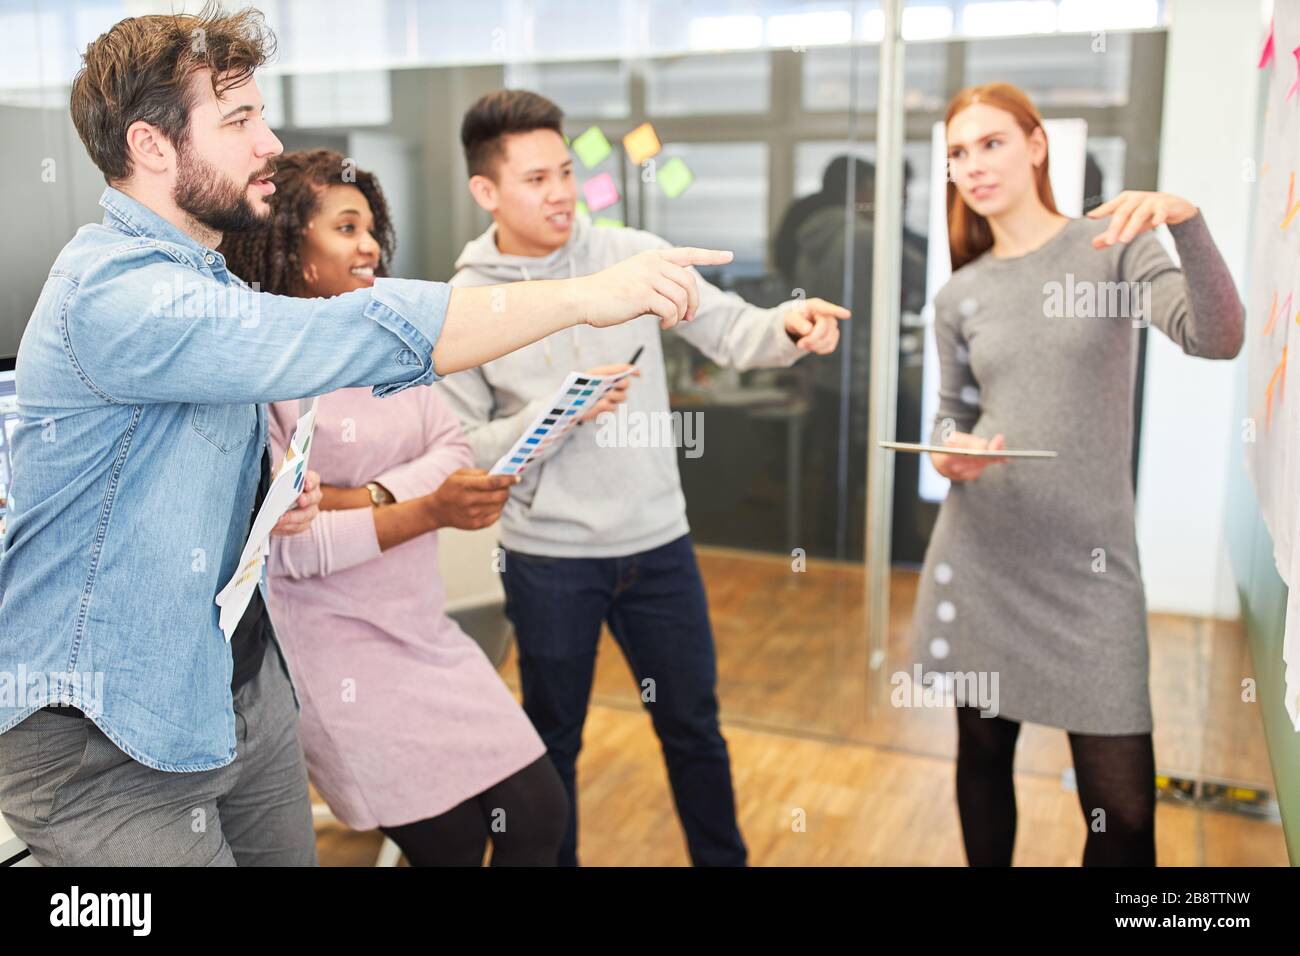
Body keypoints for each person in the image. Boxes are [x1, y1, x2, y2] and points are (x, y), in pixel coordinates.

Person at [0, 6, 727, 867]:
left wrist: (270, 507)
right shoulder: (117, 294)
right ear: (151, 147)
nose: (268, 141)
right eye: (238, 120)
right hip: (103, 731)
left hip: (235, 683)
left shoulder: (200, 279)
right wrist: (582, 296)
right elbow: (348, 335)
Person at [437, 89, 850, 866]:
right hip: (549, 558)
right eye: (536, 179)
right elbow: (464, 449)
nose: (561, 191)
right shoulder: (467, 302)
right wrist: (563, 412)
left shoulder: (630, 253)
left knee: (693, 728)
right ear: (486, 192)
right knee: (552, 745)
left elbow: (732, 328)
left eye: (565, 170)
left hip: (658, 544)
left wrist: (788, 328)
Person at [911, 82, 1244, 866]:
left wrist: (1186, 221)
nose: (973, 164)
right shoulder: (960, 292)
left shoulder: (1113, 244)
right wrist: (947, 451)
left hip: (1093, 579)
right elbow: (948, 414)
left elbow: (1218, 337)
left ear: (1035, 145)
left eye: (991, 142)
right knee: (983, 765)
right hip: (984, 561)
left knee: (1125, 816)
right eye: (958, 153)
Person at [219, 149, 567, 866]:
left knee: (536, 815)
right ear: (289, 242)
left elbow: (451, 447)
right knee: (454, 844)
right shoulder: (263, 373)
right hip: (335, 651)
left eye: (373, 227)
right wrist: (427, 509)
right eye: (346, 227)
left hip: (423, 633)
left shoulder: (384, 344)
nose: (371, 244)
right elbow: (290, 546)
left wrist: (359, 497)